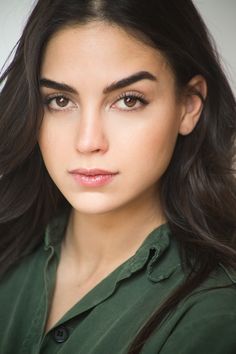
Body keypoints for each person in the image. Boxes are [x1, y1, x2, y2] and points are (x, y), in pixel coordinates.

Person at [0, 0, 236, 353]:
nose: (88, 141)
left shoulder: (214, 315)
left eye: (128, 100)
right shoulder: (9, 249)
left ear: (189, 105)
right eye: (60, 101)